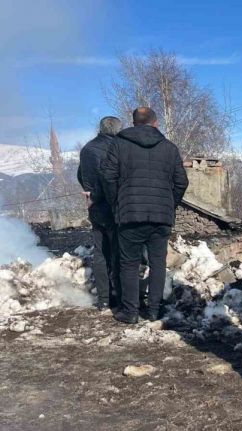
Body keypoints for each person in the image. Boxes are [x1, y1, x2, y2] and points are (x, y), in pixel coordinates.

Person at [101, 107, 188, 324]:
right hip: (161, 216)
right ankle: (154, 311)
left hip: (130, 214)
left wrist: (117, 203)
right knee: (158, 263)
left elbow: (108, 176)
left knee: (129, 264)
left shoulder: (118, 144)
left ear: (134, 123)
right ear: (155, 123)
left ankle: (130, 312)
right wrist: (169, 205)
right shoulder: (169, 148)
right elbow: (181, 182)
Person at [77, 116, 122, 310]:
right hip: (114, 206)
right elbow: (111, 179)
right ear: (117, 130)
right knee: (119, 252)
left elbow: (80, 175)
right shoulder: (118, 148)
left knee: (100, 252)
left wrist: (90, 193)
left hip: (95, 208)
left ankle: (104, 298)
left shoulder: (87, 149)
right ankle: (120, 295)